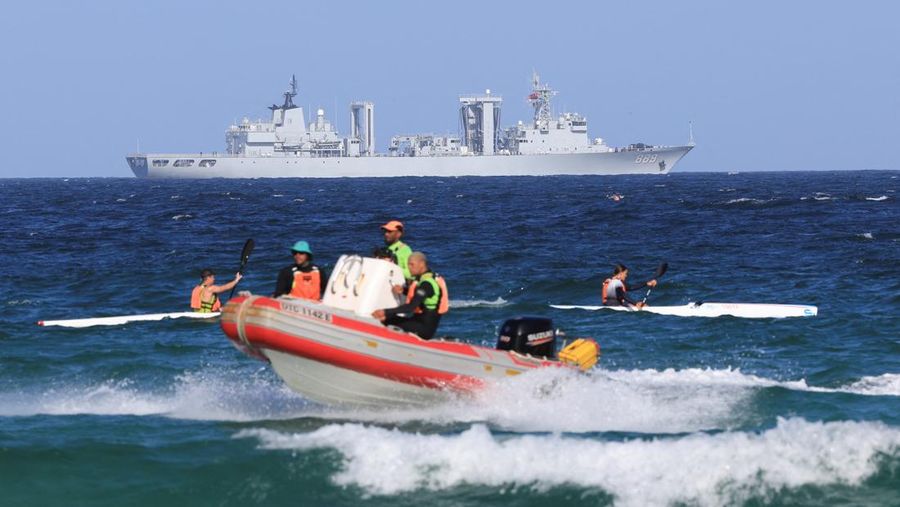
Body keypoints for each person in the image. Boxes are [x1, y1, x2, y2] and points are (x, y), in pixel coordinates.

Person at [372, 251, 448, 340]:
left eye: (412, 264)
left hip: (423, 329)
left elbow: (410, 307)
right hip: (418, 321)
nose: (409, 267)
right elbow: (421, 295)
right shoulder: (428, 277)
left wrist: (385, 311)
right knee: (389, 318)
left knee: (386, 319)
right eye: (408, 264)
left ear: (422, 264)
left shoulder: (426, 284)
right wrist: (403, 290)